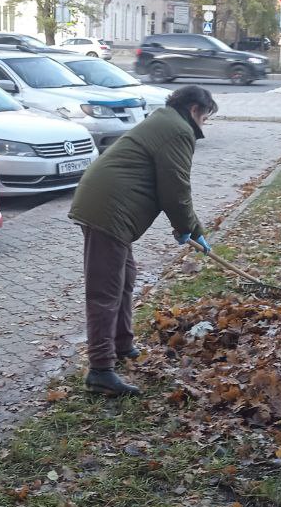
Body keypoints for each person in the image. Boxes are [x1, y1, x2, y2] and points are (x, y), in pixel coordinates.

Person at [68, 85, 217, 397]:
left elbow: (167, 186)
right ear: (193, 110)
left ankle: (122, 344)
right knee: (105, 292)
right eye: (205, 118)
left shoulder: (165, 122)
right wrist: (190, 227)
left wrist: (184, 227)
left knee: (125, 279)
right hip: (107, 210)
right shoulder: (177, 129)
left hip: (111, 208)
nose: (204, 125)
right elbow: (176, 189)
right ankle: (100, 370)